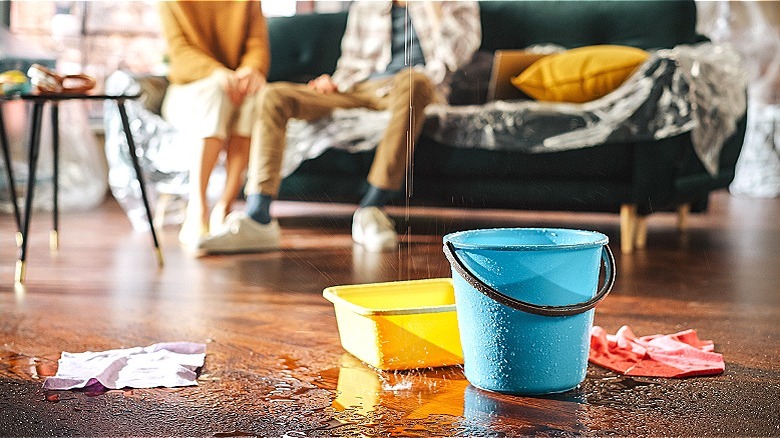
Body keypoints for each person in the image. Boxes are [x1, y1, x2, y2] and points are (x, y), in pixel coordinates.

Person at [197, 0, 482, 255]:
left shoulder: (457, 3)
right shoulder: (367, 4)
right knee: (274, 96)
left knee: (413, 80)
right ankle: (258, 218)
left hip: (414, 87)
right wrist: (334, 82)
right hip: (360, 88)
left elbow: (454, 57)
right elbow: (351, 63)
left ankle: (372, 208)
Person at [157, 0, 270, 249]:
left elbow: (257, 44)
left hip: (237, 88)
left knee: (258, 100)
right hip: (188, 89)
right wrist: (216, 72)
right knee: (215, 93)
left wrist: (250, 70)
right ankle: (198, 209)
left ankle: (225, 207)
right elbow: (179, 51)